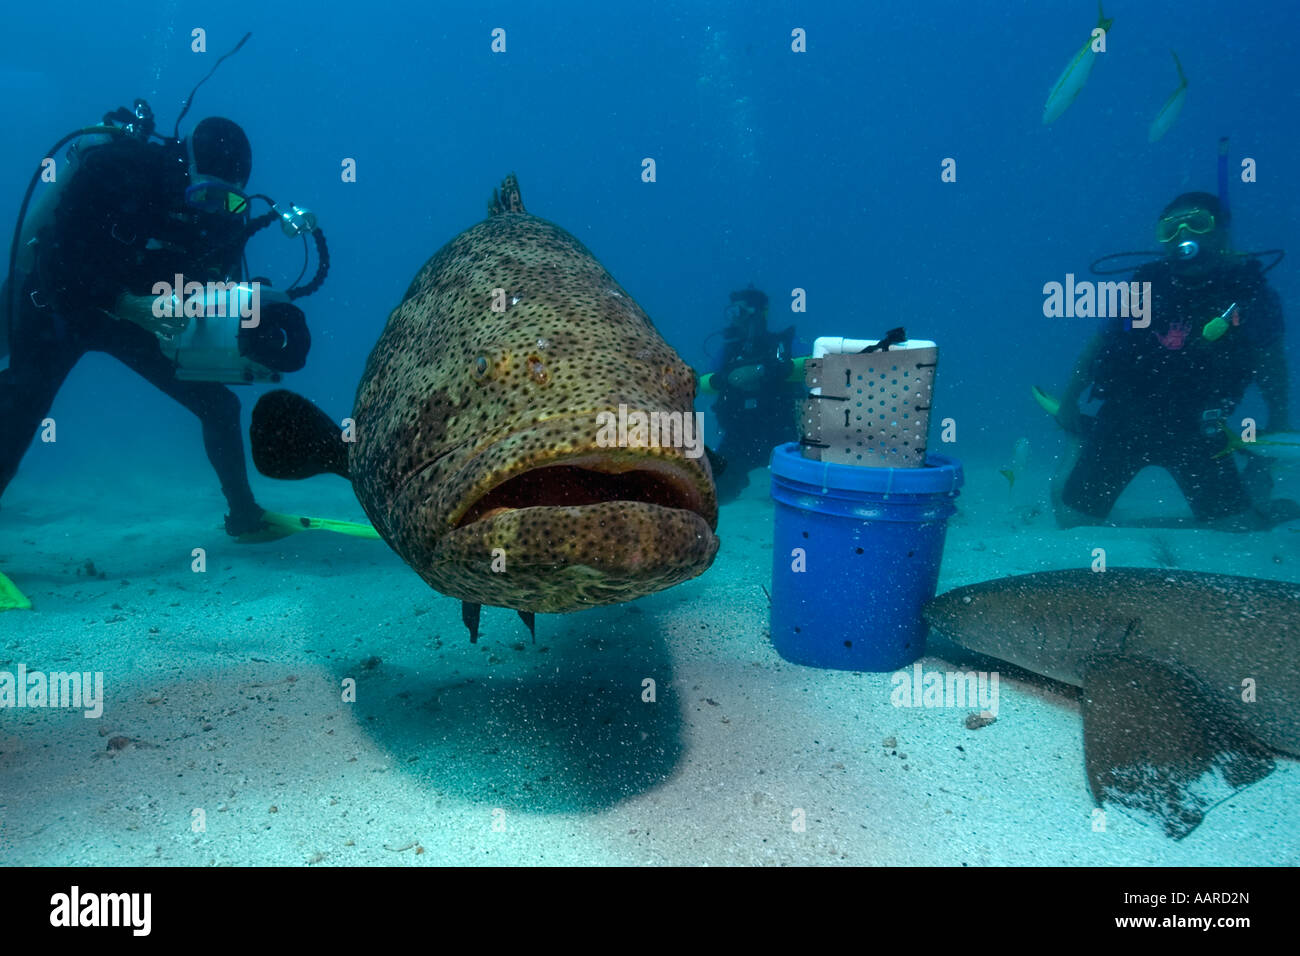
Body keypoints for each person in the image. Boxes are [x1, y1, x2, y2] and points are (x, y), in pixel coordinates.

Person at [1, 116, 299, 537]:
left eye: (229, 200)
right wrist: (127, 304)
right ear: (186, 167)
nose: (216, 209)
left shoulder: (226, 215)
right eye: (207, 195)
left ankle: (244, 516)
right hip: (57, 304)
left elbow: (209, 281)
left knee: (219, 406)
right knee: (22, 404)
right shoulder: (120, 169)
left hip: (139, 318)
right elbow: (55, 262)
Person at [1052, 191, 1296, 530]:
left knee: (1240, 528)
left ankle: (1258, 501)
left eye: (1197, 224)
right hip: (1125, 420)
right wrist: (1068, 402)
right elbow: (1098, 346)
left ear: (1221, 232)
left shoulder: (1251, 294)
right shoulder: (1145, 287)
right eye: (1169, 230)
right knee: (1071, 520)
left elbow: (1271, 365)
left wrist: (1277, 424)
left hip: (1202, 428)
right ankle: (1080, 445)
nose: (1183, 237)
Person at [710, 286, 801, 502]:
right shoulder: (728, 350)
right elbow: (704, 379)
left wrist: (761, 371)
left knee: (799, 494)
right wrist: (728, 378)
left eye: (739, 311)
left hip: (784, 433)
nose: (734, 319)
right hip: (740, 436)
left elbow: (812, 365)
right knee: (714, 489)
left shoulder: (784, 343)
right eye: (731, 312)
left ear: (758, 312)